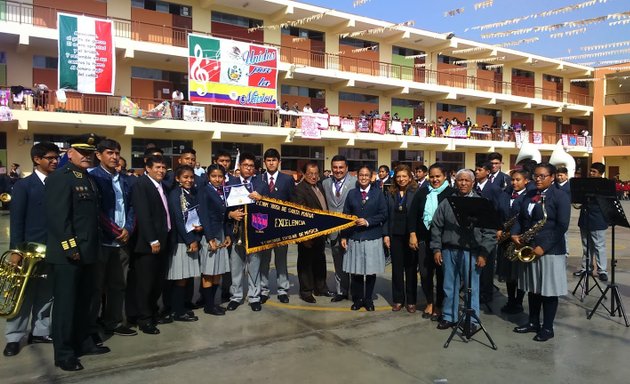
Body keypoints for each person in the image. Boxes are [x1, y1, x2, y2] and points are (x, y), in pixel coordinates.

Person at [46, 133, 109, 371]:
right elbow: (58, 218)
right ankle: (63, 353)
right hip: (68, 255)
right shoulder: (61, 178)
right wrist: (70, 247)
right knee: (65, 304)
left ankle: (83, 341)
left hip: (89, 251)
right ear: (69, 153)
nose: (87, 157)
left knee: (85, 300)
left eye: (91, 153)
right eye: (83, 153)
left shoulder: (88, 178)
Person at [3, 142, 59, 357]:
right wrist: (16, 250)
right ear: (37, 159)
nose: (55, 161)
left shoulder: (58, 183)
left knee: (46, 293)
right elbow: (16, 221)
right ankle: (14, 337)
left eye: (56, 158)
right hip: (28, 250)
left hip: (52, 249)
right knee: (22, 294)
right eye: (50, 158)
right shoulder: (24, 186)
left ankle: (40, 331)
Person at [430, 169, 495, 331]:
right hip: (449, 250)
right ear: (455, 182)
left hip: (472, 252)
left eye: (467, 180)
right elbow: (436, 226)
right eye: (460, 180)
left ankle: (471, 320)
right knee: (448, 285)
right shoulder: (447, 202)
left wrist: (484, 253)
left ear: (473, 183)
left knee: (471, 287)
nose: (463, 183)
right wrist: (436, 249)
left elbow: (490, 232)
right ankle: (449, 316)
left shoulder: (481, 203)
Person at [512, 163, 570, 342]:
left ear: (552, 177)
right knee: (534, 288)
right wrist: (515, 233)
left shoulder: (560, 196)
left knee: (549, 291)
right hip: (529, 247)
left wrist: (543, 247)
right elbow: (520, 217)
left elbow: (562, 226)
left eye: (542, 176)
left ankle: (547, 327)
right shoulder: (530, 194)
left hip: (550, 250)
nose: (538, 179)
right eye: (536, 175)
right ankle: (533, 322)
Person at [89, 139, 137, 338]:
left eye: (117, 153)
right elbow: (95, 210)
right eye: (109, 153)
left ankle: (114, 321)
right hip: (101, 241)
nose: (114, 157)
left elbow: (132, 207)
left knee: (118, 285)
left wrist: (128, 228)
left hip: (122, 241)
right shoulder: (92, 178)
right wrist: (114, 230)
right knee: (96, 287)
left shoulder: (124, 179)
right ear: (99, 155)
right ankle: (90, 327)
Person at [126, 155, 171, 335]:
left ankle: (152, 312)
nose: (161, 170)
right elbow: (143, 215)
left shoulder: (161, 185)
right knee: (145, 283)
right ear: (148, 168)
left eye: (163, 167)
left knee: (157, 282)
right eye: (158, 167)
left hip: (163, 240)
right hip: (148, 244)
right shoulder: (141, 185)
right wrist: (152, 239)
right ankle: (143, 319)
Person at [408, 163, 455, 321]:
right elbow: (412, 215)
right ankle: (429, 302)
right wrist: (413, 234)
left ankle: (440, 305)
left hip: (444, 242)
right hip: (424, 239)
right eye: (432, 176)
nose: (435, 180)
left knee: (442, 274)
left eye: (438, 176)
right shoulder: (422, 192)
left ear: (445, 176)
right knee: (426, 273)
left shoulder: (451, 193)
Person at [251, 149, 294, 304]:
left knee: (281, 260)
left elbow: (291, 203)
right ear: (264, 162)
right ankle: (263, 290)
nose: (271, 163)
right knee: (264, 260)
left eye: (274, 160)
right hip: (262, 226)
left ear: (279, 162)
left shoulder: (287, 180)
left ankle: (283, 290)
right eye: (268, 160)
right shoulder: (257, 179)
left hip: (281, 227)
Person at [341, 165, 387, 311]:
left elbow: (383, 214)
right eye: (361, 175)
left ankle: (368, 300)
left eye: (367, 175)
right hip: (355, 236)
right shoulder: (352, 194)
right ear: (357, 176)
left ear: (371, 177)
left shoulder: (378, 193)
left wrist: (368, 221)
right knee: (357, 271)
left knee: (370, 270)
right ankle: (358, 299)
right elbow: (345, 215)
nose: (364, 178)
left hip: (372, 236)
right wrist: (344, 236)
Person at [225, 152, 264, 312]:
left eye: (251, 166)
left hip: (255, 230)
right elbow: (223, 208)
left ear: (254, 169)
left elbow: (268, 207)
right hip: (236, 231)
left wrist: (261, 199)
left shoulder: (260, 184)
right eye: (245, 165)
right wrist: (230, 214)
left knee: (254, 266)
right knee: (236, 266)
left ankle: (254, 297)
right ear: (239, 166)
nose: (248, 169)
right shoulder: (230, 183)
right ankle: (236, 297)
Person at [166, 165, 202, 322]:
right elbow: (179, 221)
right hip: (182, 241)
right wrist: (190, 240)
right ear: (177, 178)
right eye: (185, 177)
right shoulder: (175, 195)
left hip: (192, 236)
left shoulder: (191, 193)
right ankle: (177, 311)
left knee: (186, 277)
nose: (189, 180)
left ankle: (182, 307)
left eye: (191, 177)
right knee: (180, 278)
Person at [292, 161, 332, 303]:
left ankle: (320, 287)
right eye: (310, 173)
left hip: (321, 232)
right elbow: (300, 214)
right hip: (308, 234)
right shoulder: (300, 189)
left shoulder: (320, 187)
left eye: (316, 173)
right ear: (304, 174)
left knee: (320, 260)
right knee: (305, 263)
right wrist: (304, 237)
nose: (314, 176)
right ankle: (306, 291)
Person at [198, 164, 232, 315]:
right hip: (210, 235)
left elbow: (224, 217)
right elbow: (204, 216)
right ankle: (208, 305)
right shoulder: (205, 191)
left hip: (221, 235)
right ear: (208, 177)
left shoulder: (223, 192)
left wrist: (228, 234)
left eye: (220, 176)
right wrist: (210, 238)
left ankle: (214, 303)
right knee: (208, 272)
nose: (217, 179)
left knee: (218, 271)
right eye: (214, 176)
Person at [384, 165, 418, 312]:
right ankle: (398, 299)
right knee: (397, 269)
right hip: (395, 235)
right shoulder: (390, 193)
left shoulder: (416, 192)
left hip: (411, 235)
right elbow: (386, 215)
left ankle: (411, 301)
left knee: (411, 269)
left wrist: (415, 234)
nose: (401, 179)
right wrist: (386, 234)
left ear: (410, 177)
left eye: (404, 176)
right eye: (398, 176)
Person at [322, 155, 356, 302]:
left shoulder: (355, 182)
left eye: (341, 167)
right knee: (338, 263)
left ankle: (356, 292)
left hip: (351, 230)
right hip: (333, 231)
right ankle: (341, 291)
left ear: (346, 168)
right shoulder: (325, 183)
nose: (338, 170)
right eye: (335, 167)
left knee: (354, 261)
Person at [497, 169, 529, 314]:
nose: (514, 182)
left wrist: (515, 233)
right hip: (505, 239)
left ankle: (519, 301)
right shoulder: (505, 195)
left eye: (518, 180)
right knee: (508, 273)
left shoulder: (529, 197)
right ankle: (510, 300)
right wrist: (499, 228)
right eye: (513, 180)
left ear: (526, 181)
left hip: (519, 239)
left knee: (519, 273)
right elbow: (498, 213)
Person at [574, 162, 608, 281]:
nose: (591, 173)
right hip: (585, 217)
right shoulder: (585, 183)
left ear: (601, 174)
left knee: (599, 246)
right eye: (591, 171)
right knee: (586, 245)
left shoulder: (605, 185)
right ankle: (586, 268)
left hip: (598, 218)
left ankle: (602, 270)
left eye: (594, 172)